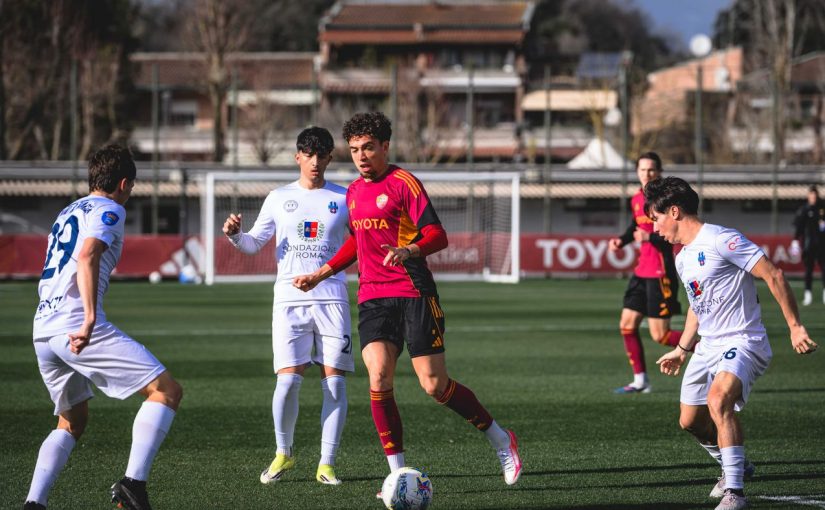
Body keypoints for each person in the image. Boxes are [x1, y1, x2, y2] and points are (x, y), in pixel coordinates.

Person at [293, 112, 522, 494]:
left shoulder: (404, 183)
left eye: (368, 148)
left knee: (434, 385)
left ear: (385, 146)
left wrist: (409, 249)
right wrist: (321, 273)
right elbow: (356, 242)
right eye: (354, 150)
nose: (361, 156)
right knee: (378, 376)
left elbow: (438, 234)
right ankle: (397, 474)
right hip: (373, 298)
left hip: (414, 292)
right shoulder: (352, 192)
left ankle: (501, 440)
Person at [24, 145, 183, 510]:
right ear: (124, 183)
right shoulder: (110, 208)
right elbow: (88, 253)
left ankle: (35, 503)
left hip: (43, 326)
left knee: (71, 421)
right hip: (73, 324)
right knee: (166, 391)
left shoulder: (67, 211)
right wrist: (90, 318)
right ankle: (133, 484)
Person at [648, 176, 818, 510]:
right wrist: (682, 349)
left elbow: (774, 275)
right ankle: (734, 465)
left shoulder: (722, 239)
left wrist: (795, 327)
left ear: (674, 211)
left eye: (656, 219)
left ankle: (735, 494)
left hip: (743, 340)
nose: (654, 228)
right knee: (689, 421)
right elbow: (699, 307)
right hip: (706, 345)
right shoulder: (682, 258)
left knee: (718, 399)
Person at [222, 127, 353, 486]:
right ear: (298, 156)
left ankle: (326, 464)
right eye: (308, 154)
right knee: (287, 384)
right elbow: (252, 244)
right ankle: (284, 453)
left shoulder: (344, 198)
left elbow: (358, 245)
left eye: (321, 154)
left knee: (335, 386)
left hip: (332, 299)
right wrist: (235, 234)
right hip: (289, 302)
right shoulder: (278, 198)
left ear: (329, 158)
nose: (314, 161)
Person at [608, 152, 683, 394]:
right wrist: (622, 240)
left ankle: (711, 345)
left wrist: (648, 236)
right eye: (642, 170)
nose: (646, 174)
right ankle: (641, 381)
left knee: (661, 336)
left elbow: (675, 236)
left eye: (651, 170)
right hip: (642, 271)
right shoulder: (636, 199)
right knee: (627, 325)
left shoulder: (666, 201)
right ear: (637, 172)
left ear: (659, 172)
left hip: (661, 272)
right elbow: (635, 226)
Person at [791, 184, 825, 306]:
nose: (813, 197)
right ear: (808, 196)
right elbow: (799, 227)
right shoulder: (804, 210)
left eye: (815, 195)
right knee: (808, 270)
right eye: (811, 195)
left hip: (822, 245)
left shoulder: (822, 208)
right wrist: (795, 240)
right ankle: (808, 294)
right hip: (809, 245)